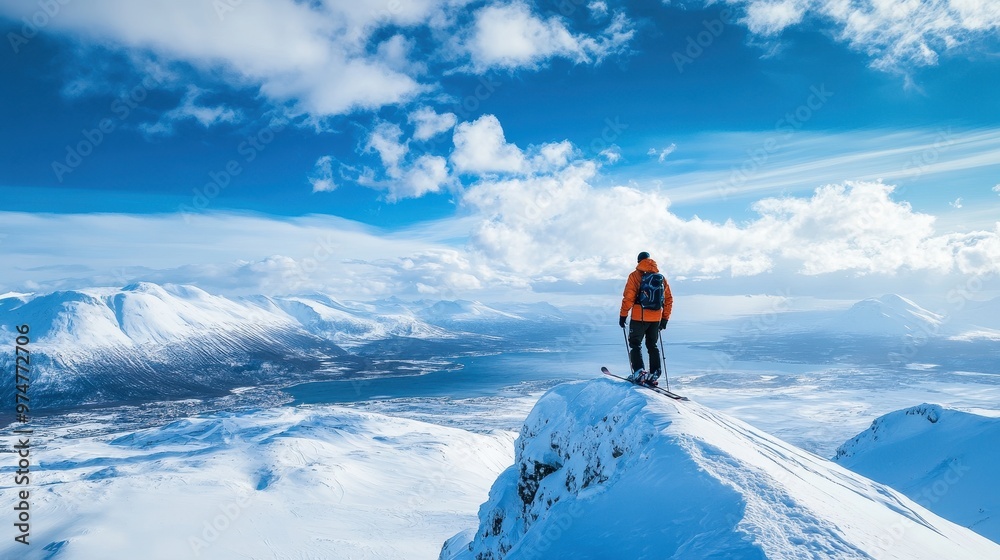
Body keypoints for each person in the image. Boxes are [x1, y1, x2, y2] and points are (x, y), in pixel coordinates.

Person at [618, 251, 673, 385]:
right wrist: (665, 319)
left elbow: (629, 298)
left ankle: (639, 372)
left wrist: (623, 315)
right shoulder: (660, 278)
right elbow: (668, 299)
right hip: (656, 318)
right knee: (652, 345)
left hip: (639, 317)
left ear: (638, 262)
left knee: (635, 344)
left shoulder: (635, 276)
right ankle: (654, 373)